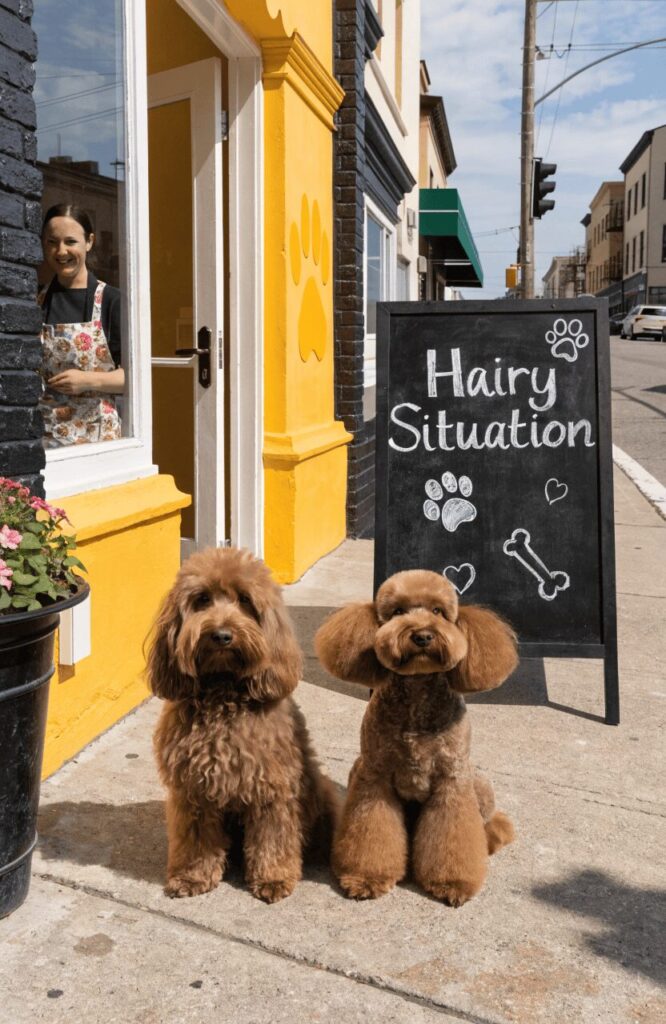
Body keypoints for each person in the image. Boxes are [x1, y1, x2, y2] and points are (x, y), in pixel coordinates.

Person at [38, 203, 125, 447]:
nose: (61, 251)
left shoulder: (111, 301)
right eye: (52, 242)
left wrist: (87, 380)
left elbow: (133, 375)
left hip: (96, 437)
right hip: (46, 437)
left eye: (70, 241)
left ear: (89, 242)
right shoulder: (36, 301)